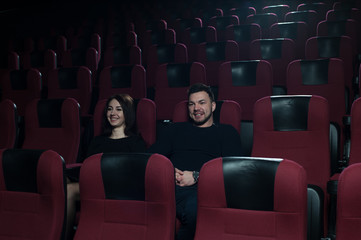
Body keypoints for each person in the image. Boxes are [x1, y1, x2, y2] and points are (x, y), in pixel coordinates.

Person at [148, 83, 242, 240]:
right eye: (191, 104)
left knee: (195, 210)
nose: (196, 108)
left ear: (213, 106)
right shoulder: (174, 130)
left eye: (202, 103)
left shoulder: (227, 132)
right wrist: (168, 171)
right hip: (168, 186)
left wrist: (197, 176)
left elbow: (234, 171)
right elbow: (150, 158)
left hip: (202, 190)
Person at [66, 93, 146, 240]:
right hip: (94, 184)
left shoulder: (136, 143)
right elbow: (88, 167)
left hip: (119, 189)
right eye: (110, 109)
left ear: (127, 113)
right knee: (61, 180)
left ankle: (62, 236)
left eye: (118, 109)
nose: (113, 113)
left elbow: (137, 175)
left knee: (69, 190)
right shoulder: (97, 141)